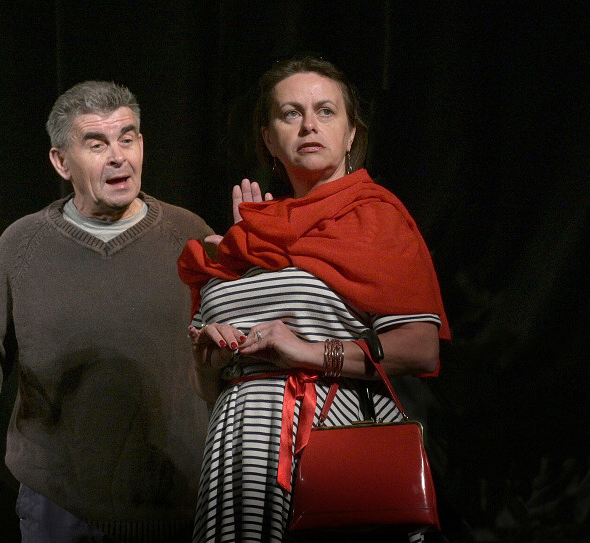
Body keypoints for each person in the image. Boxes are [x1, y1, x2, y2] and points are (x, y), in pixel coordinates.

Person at [0, 80, 214, 543]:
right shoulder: (22, 244)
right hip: (60, 508)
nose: (118, 157)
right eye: (97, 144)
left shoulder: (189, 235)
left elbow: (233, 355)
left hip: (177, 500)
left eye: (127, 138)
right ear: (61, 161)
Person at [177, 56, 451, 542]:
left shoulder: (375, 218)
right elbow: (207, 387)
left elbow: (420, 348)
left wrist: (304, 351)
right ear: (268, 138)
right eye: (291, 113)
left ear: (350, 134)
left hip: (331, 439)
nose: (309, 125)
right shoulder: (248, 233)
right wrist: (208, 361)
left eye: (326, 111)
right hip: (237, 442)